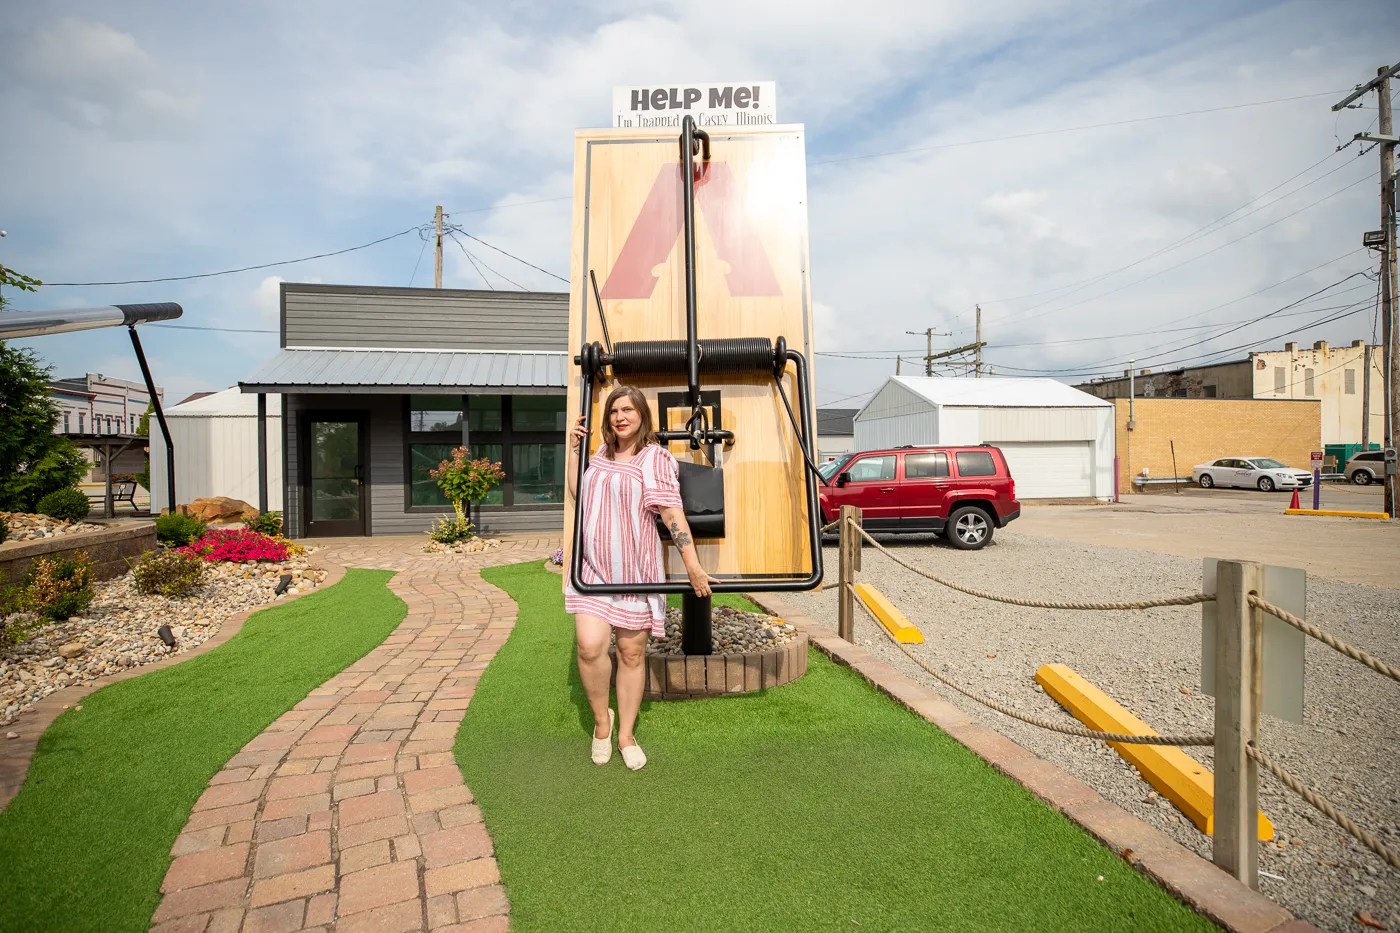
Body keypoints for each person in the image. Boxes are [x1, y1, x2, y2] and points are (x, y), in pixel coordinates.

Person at [564, 384, 716, 770]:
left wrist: (693, 565)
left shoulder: (654, 458)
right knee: (589, 646)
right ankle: (603, 722)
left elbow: (671, 514)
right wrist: (573, 452)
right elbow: (577, 495)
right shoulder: (597, 454)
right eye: (615, 410)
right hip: (593, 570)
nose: (620, 417)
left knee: (631, 653)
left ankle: (626, 733)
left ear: (642, 415)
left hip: (635, 572)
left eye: (629, 410)